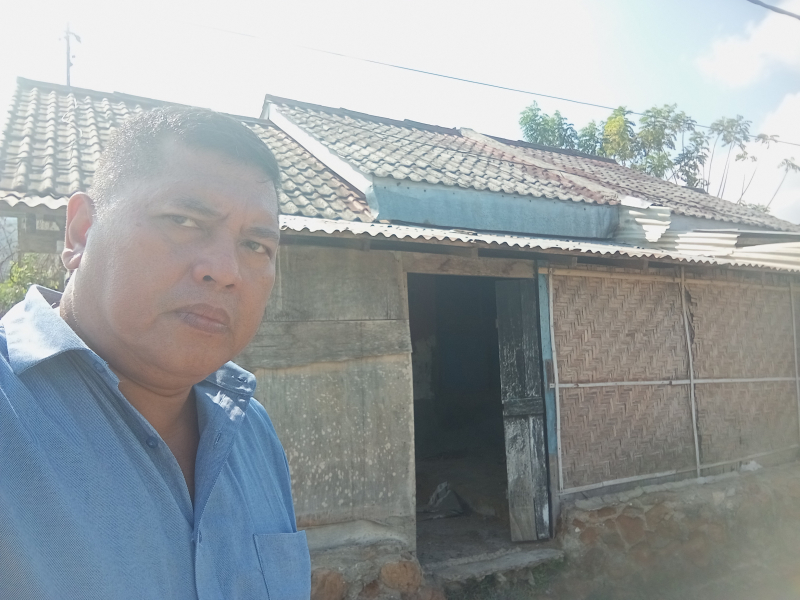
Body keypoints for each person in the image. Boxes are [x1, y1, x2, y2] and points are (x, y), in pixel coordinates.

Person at [0, 107, 311, 599]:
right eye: (183, 220)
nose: (225, 270)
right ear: (81, 232)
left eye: (255, 245)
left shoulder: (251, 432)